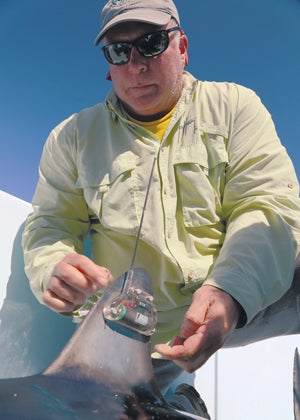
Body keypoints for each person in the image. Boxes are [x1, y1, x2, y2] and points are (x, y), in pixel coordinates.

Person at [22, 0, 300, 416]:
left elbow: (268, 202)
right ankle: (182, 398)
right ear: (108, 64)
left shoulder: (236, 106)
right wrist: (51, 265)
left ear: (182, 48)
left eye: (151, 43)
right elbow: (49, 224)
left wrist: (230, 291)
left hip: (241, 301)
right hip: (136, 331)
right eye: (119, 51)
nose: (136, 65)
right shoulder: (71, 138)